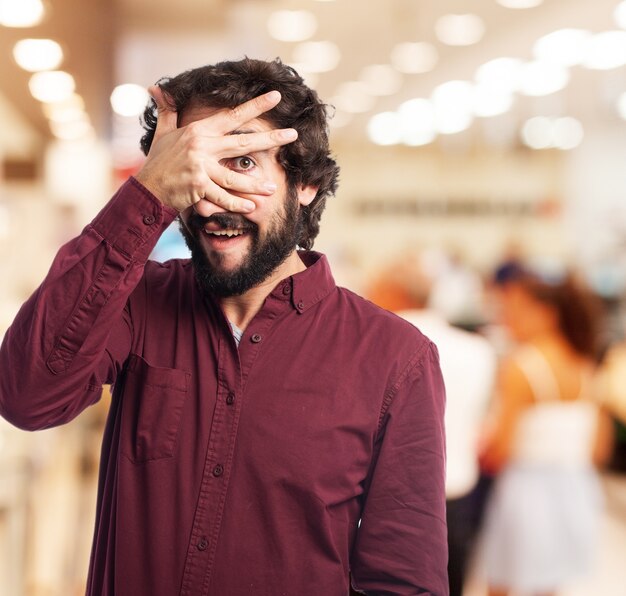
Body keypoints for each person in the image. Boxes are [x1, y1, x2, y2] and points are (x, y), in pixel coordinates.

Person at [0, 58, 448, 596]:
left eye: (241, 163)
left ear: (303, 183)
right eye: (196, 166)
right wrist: (144, 195)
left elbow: (402, 580)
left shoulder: (396, 358)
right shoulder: (137, 303)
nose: (213, 198)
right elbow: (28, 396)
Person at [478, 266, 613, 596]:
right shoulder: (583, 362)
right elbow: (599, 448)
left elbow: (502, 448)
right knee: (549, 584)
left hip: (526, 491)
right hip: (577, 488)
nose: (506, 318)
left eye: (513, 310)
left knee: (502, 581)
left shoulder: (522, 366)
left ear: (546, 313)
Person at [371, 254, 496, 596]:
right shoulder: (478, 349)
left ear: (395, 293)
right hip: (456, 491)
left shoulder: (374, 345)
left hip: (386, 503)